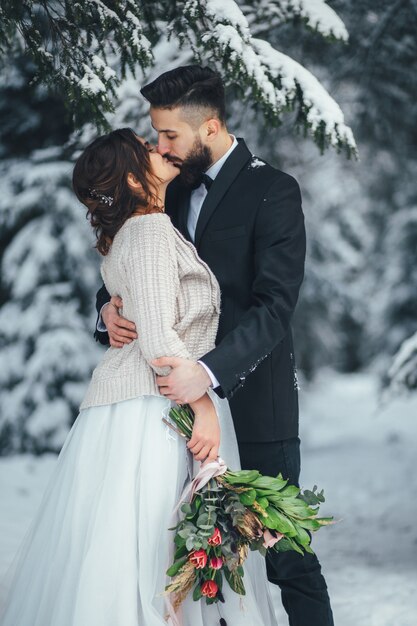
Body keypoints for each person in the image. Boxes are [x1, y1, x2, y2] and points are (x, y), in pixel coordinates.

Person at [0, 129, 277, 626]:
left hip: (141, 402)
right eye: (148, 149)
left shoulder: (140, 229)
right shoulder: (148, 231)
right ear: (133, 176)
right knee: (155, 554)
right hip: (156, 407)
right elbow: (157, 337)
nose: (160, 148)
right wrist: (205, 407)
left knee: (139, 554)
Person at [96, 66, 334, 626]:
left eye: (170, 135)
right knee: (181, 543)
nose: (160, 147)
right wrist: (106, 311)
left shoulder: (273, 189)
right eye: (156, 135)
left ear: (212, 125)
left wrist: (206, 373)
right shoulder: (166, 187)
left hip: (253, 388)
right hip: (169, 402)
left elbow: (275, 305)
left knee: (281, 545)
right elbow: (133, 263)